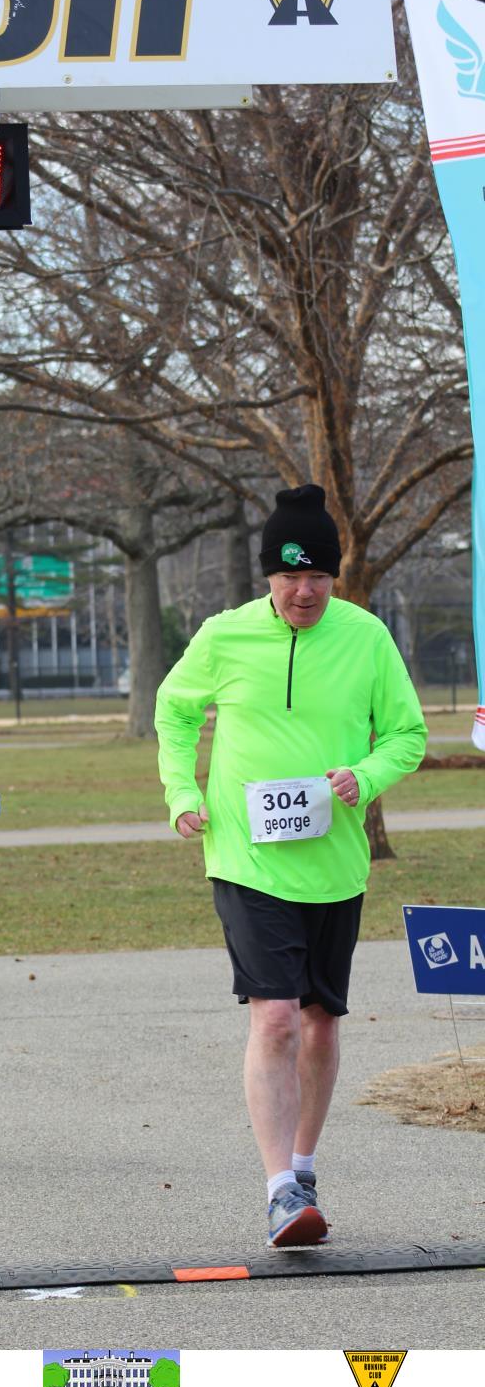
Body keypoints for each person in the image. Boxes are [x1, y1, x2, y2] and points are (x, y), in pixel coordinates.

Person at [154, 485, 426, 1246]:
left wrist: (364, 777)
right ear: (267, 575)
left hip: (335, 864)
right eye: (288, 576)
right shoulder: (224, 635)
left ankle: (303, 1168)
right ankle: (279, 1191)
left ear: (334, 576)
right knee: (274, 1016)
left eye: (317, 577)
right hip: (246, 856)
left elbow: (406, 734)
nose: (303, 591)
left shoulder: (367, 637)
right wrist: (182, 791)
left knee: (319, 1024)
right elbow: (175, 710)